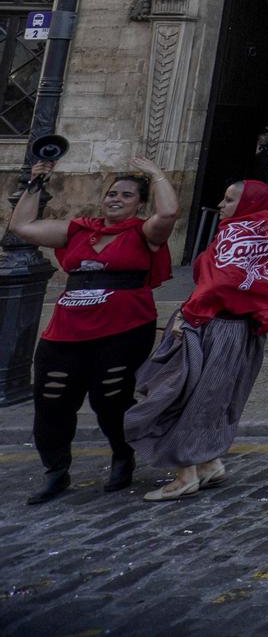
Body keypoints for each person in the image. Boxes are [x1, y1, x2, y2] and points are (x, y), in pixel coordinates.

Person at [9, 156, 178, 504]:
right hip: (67, 331)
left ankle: (122, 456)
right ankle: (55, 470)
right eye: (112, 194)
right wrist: (36, 184)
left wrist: (157, 175)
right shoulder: (78, 230)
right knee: (52, 399)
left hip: (124, 329)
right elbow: (22, 227)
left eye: (126, 195)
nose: (115, 199)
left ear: (140, 204)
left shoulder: (143, 233)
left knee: (110, 398)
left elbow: (168, 215)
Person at [126, 179, 268, 501]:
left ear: (247, 205)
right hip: (238, 329)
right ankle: (208, 462)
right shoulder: (263, 231)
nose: (222, 205)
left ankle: (185, 474)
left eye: (229, 200)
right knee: (212, 395)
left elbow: (219, 283)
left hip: (215, 325)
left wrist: (189, 316)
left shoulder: (237, 235)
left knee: (183, 393)